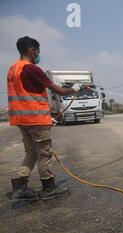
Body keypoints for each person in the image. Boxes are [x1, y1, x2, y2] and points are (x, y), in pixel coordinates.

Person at [7, 36, 81, 202]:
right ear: (31, 50)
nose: (39, 54)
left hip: (22, 120)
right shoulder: (31, 68)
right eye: (38, 51)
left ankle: (20, 188)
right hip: (35, 119)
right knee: (44, 154)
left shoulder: (13, 69)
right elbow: (59, 91)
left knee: (31, 153)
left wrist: (48, 118)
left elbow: (26, 95)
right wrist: (75, 88)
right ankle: (49, 188)